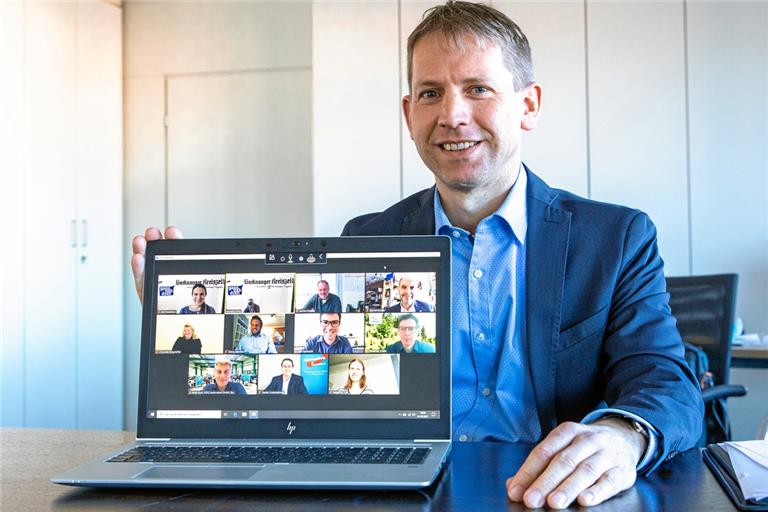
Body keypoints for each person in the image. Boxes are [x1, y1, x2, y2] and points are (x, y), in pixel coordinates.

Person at [129, 2, 702, 508]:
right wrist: (194, 328)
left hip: (546, 493)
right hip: (400, 494)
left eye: (478, 88)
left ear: (528, 105)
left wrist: (625, 435)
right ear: (409, 114)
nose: (451, 114)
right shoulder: (367, 238)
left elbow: (665, 380)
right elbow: (307, 391)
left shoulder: (615, 237)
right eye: (431, 93)